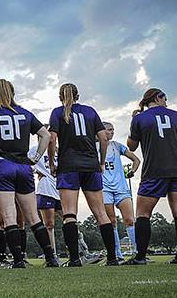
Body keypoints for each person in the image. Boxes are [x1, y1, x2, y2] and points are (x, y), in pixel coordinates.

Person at [0, 79, 57, 268]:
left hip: (2, 165)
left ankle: (18, 260)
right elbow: (46, 135)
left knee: (9, 217)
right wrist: (36, 157)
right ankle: (50, 257)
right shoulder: (26, 113)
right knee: (33, 216)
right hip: (23, 166)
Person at [47, 83, 118, 267]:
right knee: (101, 213)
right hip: (90, 165)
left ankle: (74, 259)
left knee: (69, 214)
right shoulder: (90, 111)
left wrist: (52, 162)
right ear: (78, 95)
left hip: (69, 165)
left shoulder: (57, 112)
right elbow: (103, 138)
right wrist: (101, 161)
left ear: (60, 96)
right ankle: (112, 258)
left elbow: (52, 138)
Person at [125, 88, 177, 265]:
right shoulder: (175, 115)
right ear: (157, 97)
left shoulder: (139, 118)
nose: (166, 102)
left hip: (154, 171)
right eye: (165, 98)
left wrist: (133, 120)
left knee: (143, 214)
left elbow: (131, 146)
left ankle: (140, 257)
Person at [101, 121, 140, 261]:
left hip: (121, 188)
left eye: (113, 130)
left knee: (129, 220)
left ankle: (138, 253)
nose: (112, 132)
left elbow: (136, 160)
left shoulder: (117, 146)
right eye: (109, 130)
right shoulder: (93, 148)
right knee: (111, 222)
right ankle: (117, 254)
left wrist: (132, 172)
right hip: (104, 188)